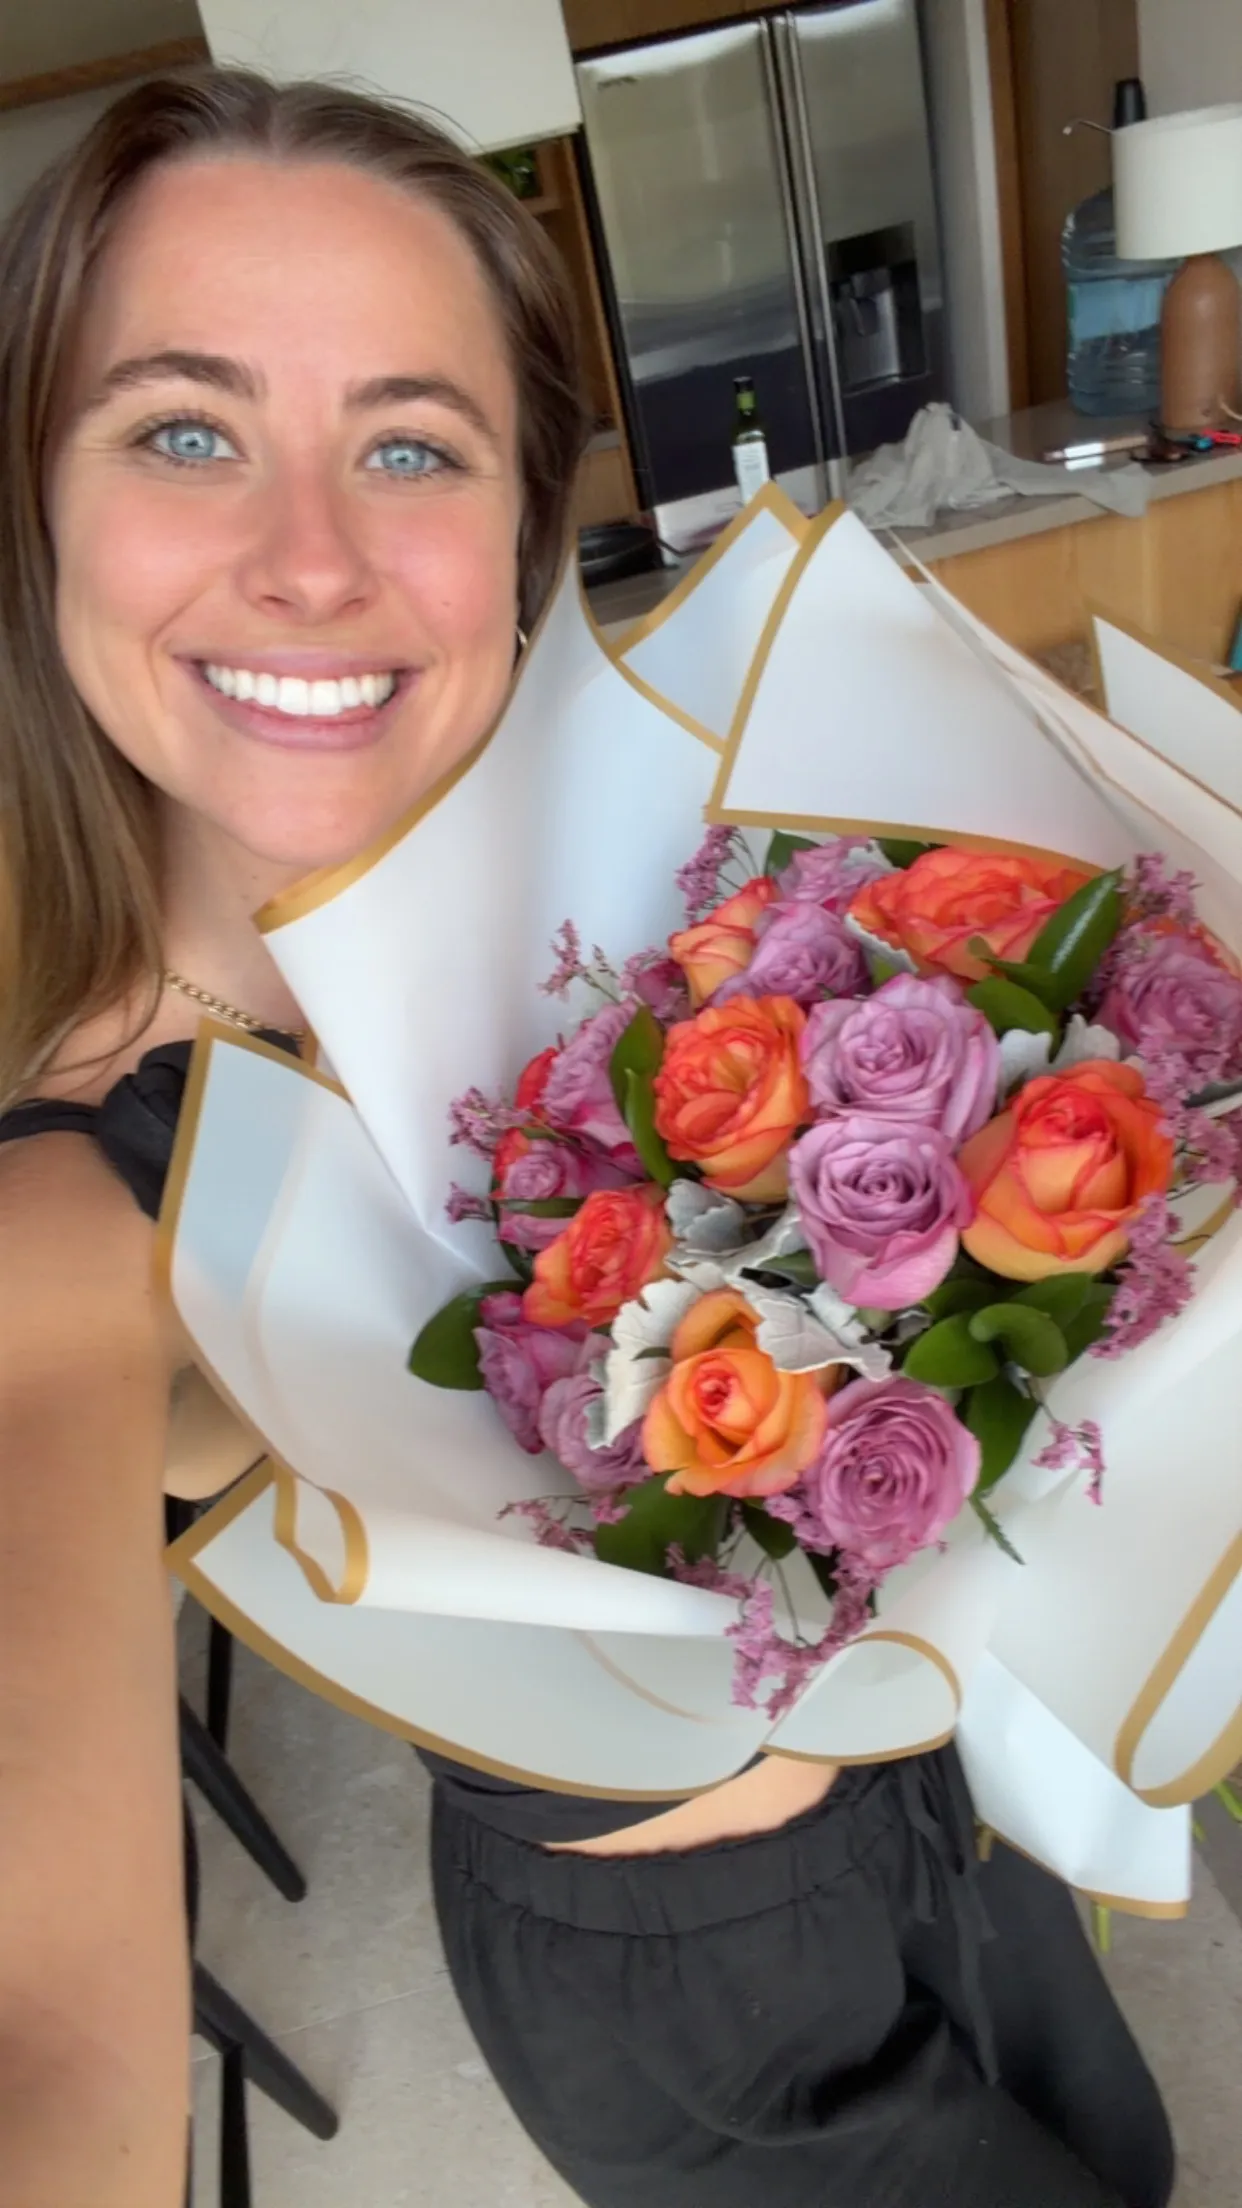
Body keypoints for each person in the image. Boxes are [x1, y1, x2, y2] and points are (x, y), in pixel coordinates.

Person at [0, 68, 1176, 2208]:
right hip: (689, 1990)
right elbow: (53, 2052)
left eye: (409, 444)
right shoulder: (65, 1206)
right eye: (184, 430)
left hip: (931, 1796)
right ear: (35, 505)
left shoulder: (659, 912)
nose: (309, 558)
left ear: (529, 525)